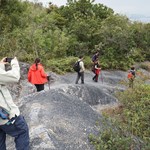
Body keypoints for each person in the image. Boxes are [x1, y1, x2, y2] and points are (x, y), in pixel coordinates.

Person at [0, 57, 30, 150]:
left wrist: (1, 65)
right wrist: (14, 63)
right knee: (22, 132)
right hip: (6, 115)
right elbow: (15, 77)